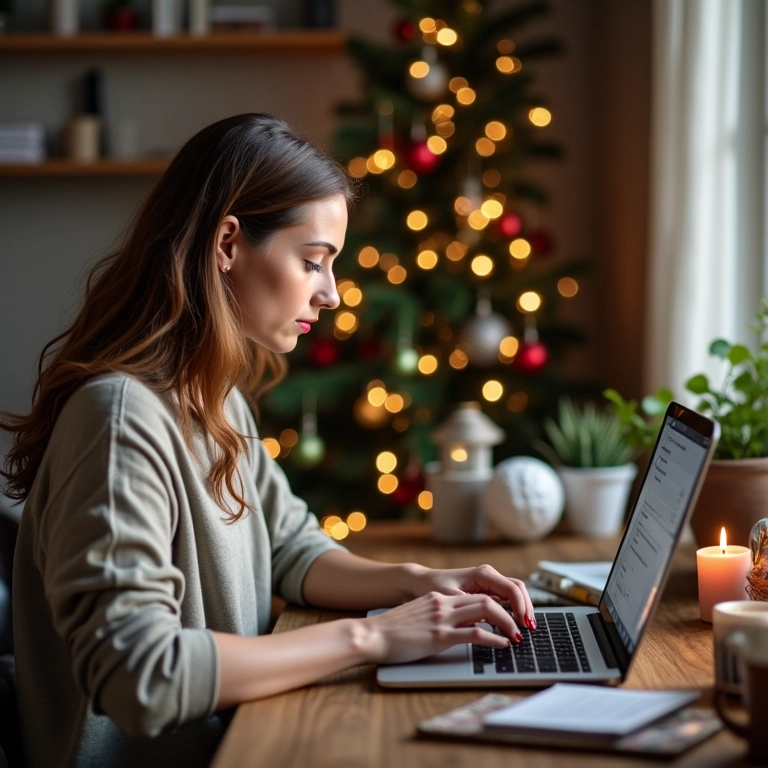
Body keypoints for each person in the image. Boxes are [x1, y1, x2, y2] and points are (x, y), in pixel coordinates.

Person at [1, 114, 534, 768]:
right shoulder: (119, 420)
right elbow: (140, 677)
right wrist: (373, 639)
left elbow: (289, 546)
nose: (331, 293)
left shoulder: (215, 395)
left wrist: (420, 583)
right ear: (227, 243)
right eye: (313, 262)